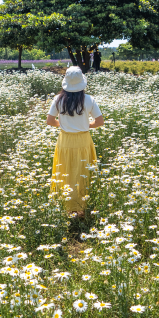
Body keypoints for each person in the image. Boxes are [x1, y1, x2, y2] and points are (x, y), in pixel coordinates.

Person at [47, 66, 104, 216]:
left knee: (65, 171)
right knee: (83, 172)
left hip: (65, 140)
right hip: (83, 140)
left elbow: (49, 120)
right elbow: (99, 122)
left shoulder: (58, 100)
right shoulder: (89, 99)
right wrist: (85, 125)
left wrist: (63, 125)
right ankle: (82, 207)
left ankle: (66, 205)